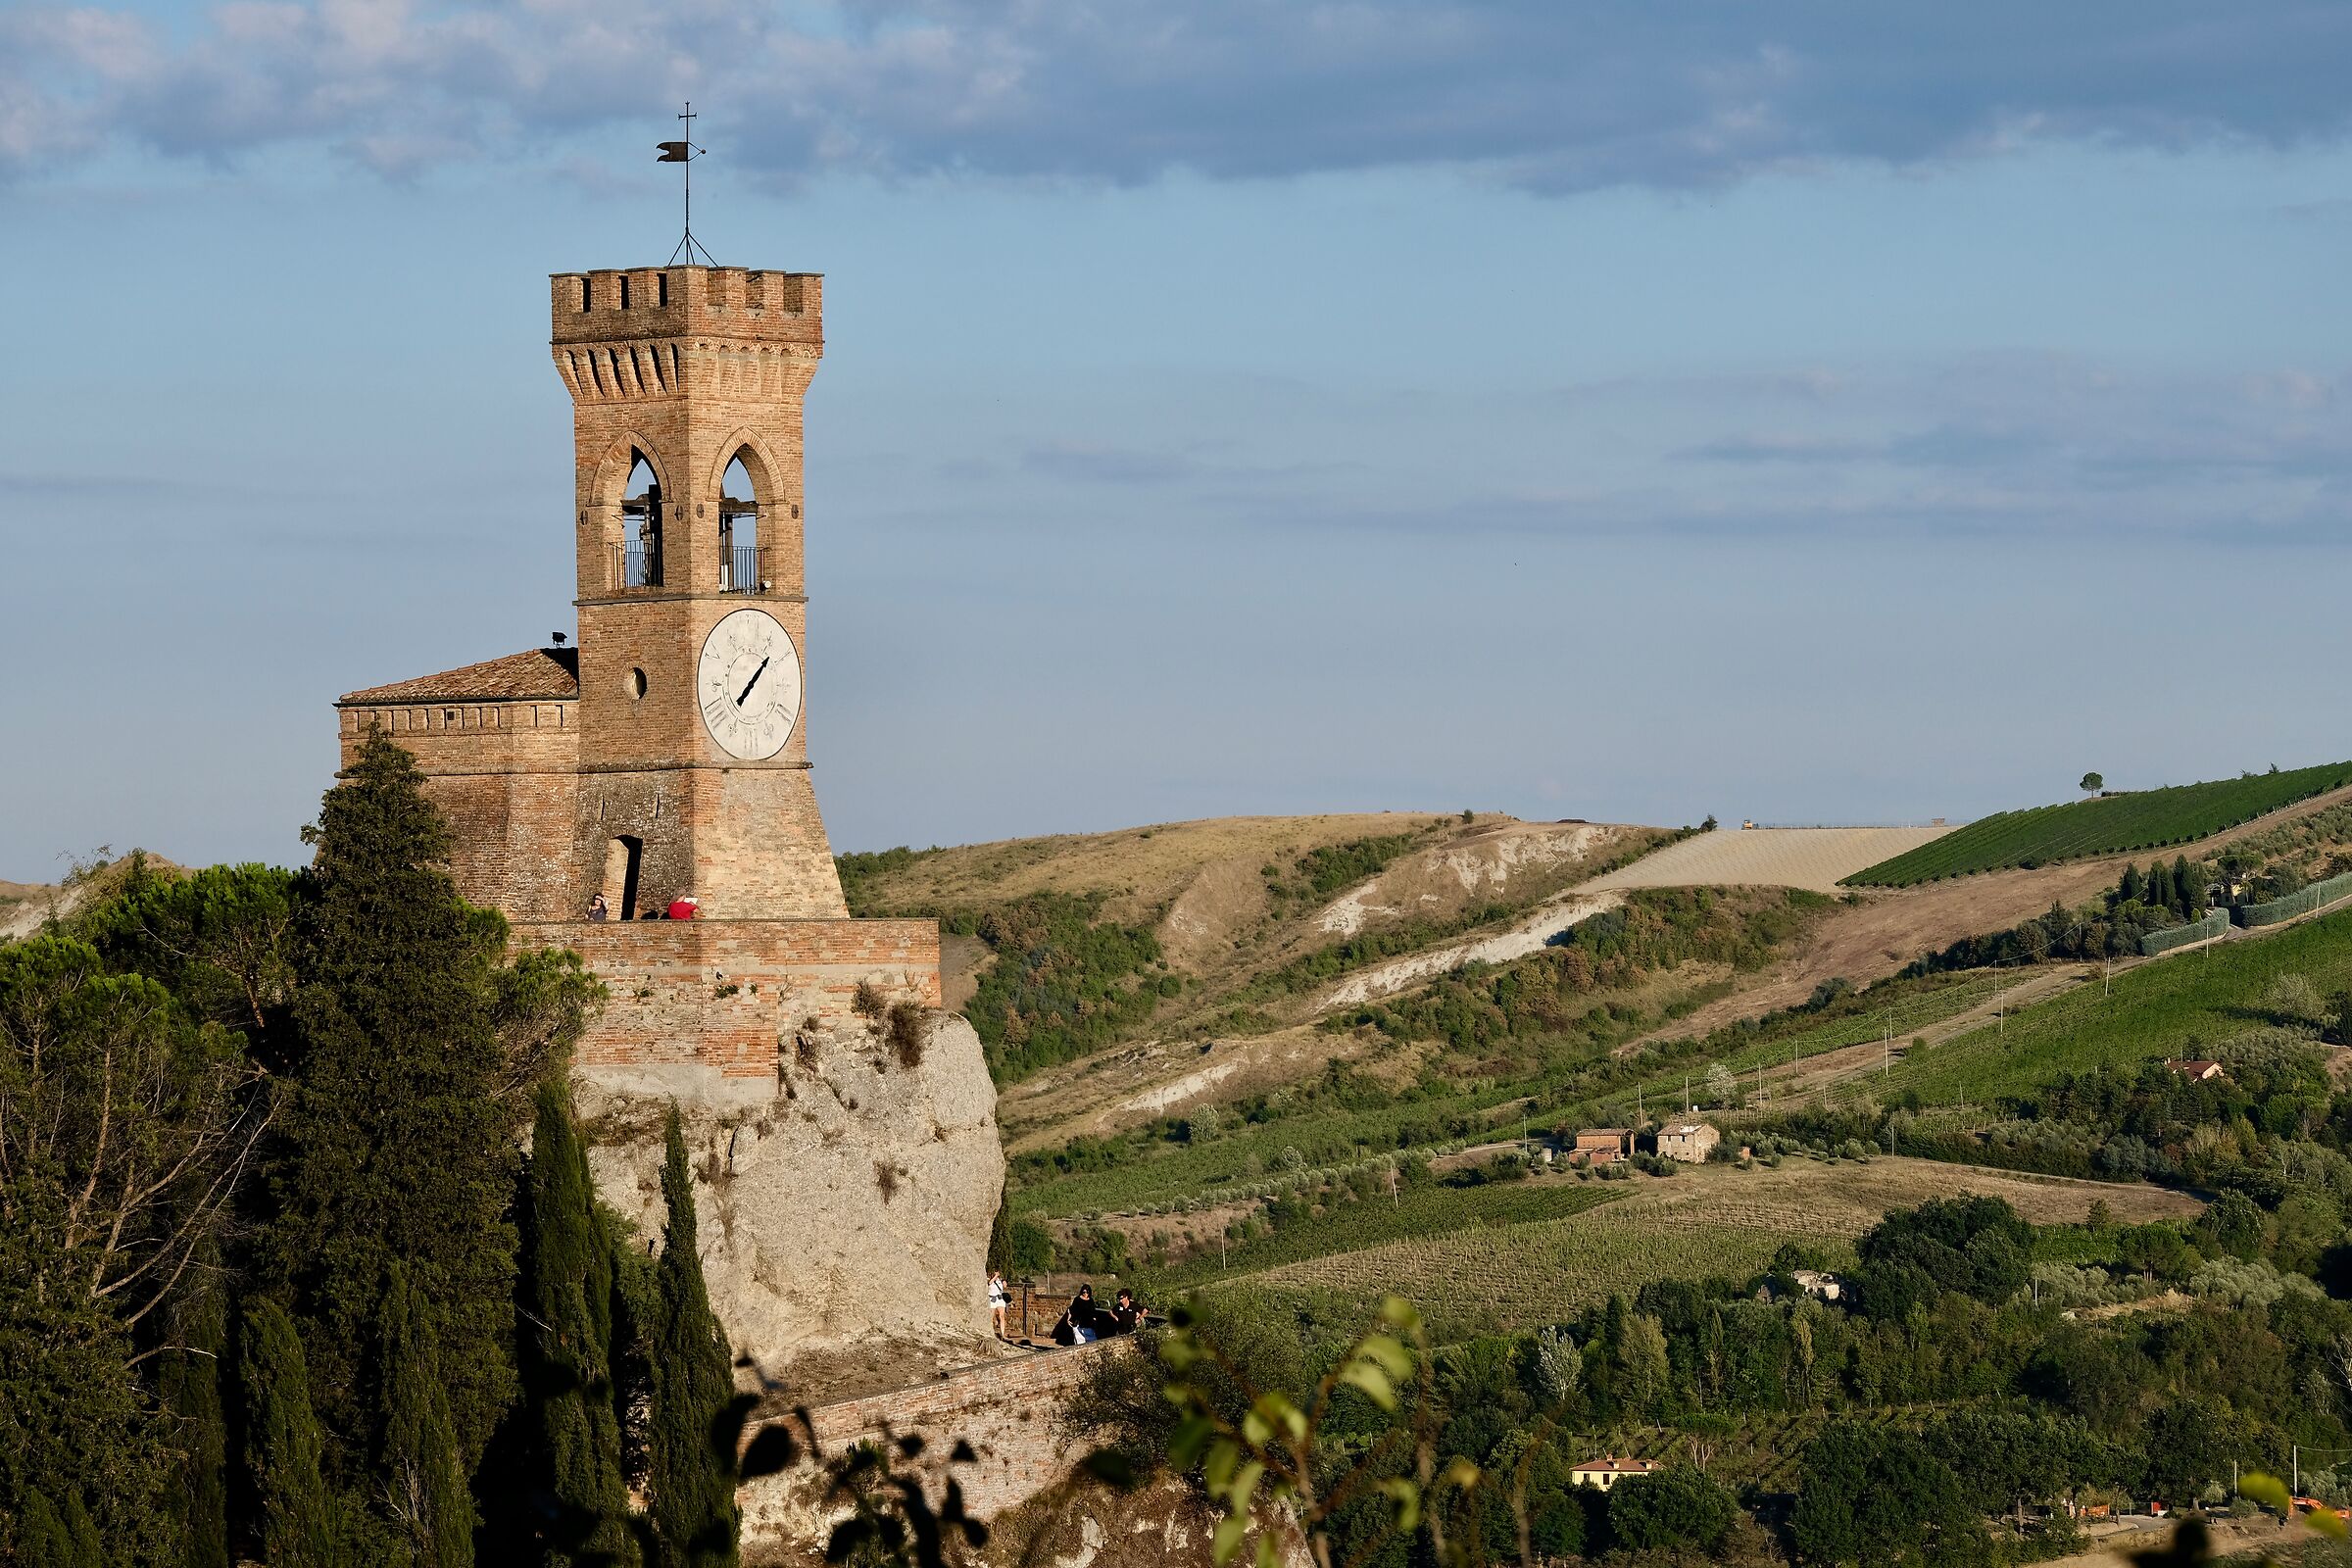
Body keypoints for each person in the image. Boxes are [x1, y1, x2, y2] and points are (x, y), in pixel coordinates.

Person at [988, 1270, 1011, 1339]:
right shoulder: (988, 1279)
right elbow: (989, 1283)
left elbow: (1005, 1286)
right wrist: (995, 1276)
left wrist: (1004, 1282)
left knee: (1002, 1316)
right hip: (992, 1299)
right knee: (991, 1317)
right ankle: (991, 1333)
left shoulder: (1000, 1280)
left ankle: (1002, 1334)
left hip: (1000, 1299)